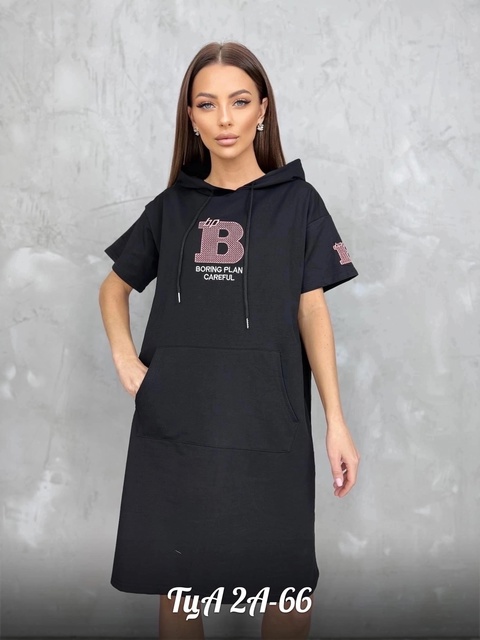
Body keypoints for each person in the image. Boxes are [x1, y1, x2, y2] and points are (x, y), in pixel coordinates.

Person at [99, 41, 361, 640]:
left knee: (286, 587)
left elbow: (312, 310)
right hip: (179, 427)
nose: (224, 119)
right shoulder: (172, 208)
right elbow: (113, 289)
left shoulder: (299, 203)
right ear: (190, 117)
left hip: (270, 425)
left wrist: (336, 421)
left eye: (239, 102)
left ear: (263, 109)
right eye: (207, 104)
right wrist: (126, 359)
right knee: (180, 587)